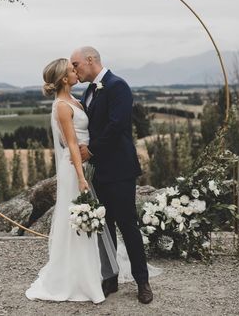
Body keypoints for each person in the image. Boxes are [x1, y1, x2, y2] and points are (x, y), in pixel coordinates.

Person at [25, 57, 117, 304]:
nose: (76, 72)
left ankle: (93, 270)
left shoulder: (74, 100)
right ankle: (78, 277)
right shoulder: (62, 107)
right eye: (71, 70)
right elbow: (72, 143)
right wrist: (80, 176)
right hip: (75, 167)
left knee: (86, 218)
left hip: (86, 164)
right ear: (64, 79)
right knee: (77, 220)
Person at [70, 46, 155, 304]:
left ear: (91, 60)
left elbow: (117, 125)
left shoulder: (118, 86)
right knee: (102, 227)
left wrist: (90, 150)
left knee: (128, 225)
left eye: (76, 65)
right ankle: (110, 279)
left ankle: (142, 281)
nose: (74, 70)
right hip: (98, 172)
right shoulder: (89, 91)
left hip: (119, 170)